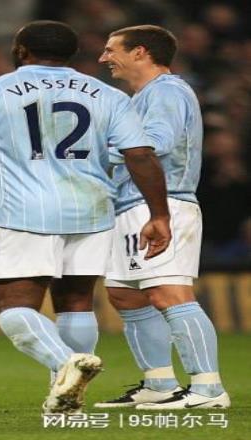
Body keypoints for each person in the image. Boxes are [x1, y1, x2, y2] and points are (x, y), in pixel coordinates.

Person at [0, 20, 172, 414]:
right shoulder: (108, 95)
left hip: (21, 212)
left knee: (14, 308)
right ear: (73, 53)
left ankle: (66, 365)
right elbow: (140, 155)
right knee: (76, 302)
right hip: (91, 211)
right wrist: (160, 214)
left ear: (21, 51)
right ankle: (65, 396)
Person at [96, 25, 230, 409]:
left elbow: (156, 143)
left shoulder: (167, 91)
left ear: (140, 52)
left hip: (164, 202)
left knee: (168, 293)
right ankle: (159, 383)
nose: (104, 58)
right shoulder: (141, 96)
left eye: (111, 50)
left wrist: (93, 153)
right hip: (128, 204)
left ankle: (208, 388)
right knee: (125, 294)